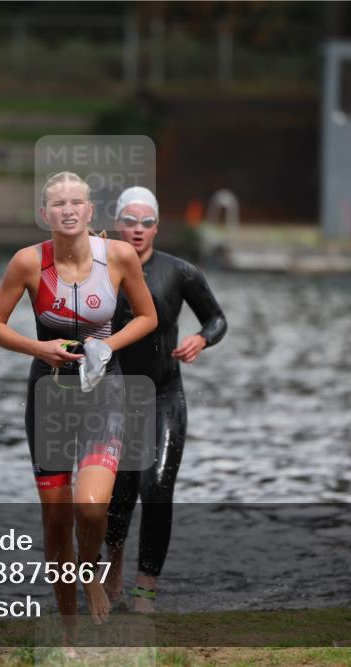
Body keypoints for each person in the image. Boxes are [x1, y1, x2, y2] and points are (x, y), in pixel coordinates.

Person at [0, 172, 157, 631]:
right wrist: (39, 348)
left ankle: (91, 568)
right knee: (57, 523)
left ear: (90, 211)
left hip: (104, 390)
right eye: (58, 204)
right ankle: (68, 629)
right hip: (50, 396)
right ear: (45, 215)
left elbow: (148, 316)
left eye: (76, 201)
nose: (68, 210)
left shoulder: (117, 256)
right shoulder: (27, 263)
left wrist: (109, 345)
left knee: (92, 507)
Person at [103, 186, 227, 613]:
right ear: (117, 223)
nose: (138, 230)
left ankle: (145, 590)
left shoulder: (180, 272)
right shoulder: (96, 270)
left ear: (157, 226)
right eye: (130, 221)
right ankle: (113, 560)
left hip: (162, 395)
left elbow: (217, 318)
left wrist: (200, 338)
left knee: (155, 487)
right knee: (116, 495)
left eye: (147, 222)